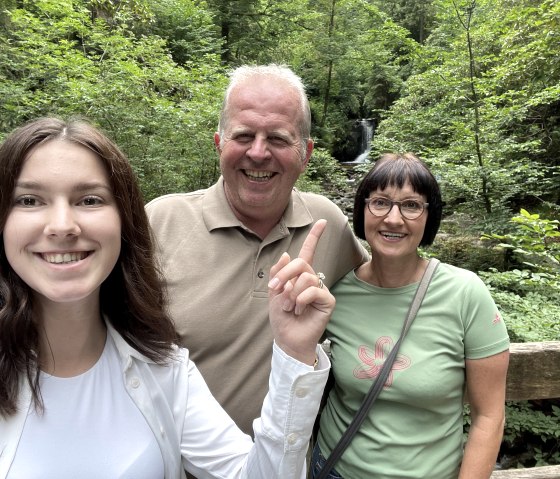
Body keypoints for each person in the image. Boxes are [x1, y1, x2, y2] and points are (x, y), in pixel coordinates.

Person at [0, 117, 335, 479]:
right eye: (30, 200)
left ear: (125, 220)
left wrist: (294, 353)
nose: (62, 225)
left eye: (89, 200)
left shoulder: (163, 370)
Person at [146, 64, 369, 436]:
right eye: (244, 135)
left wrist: (454, 293)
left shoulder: (326, 224)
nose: (259, 152)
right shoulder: (159, 223)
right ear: (219, 142)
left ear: (306, 153)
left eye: (279, 139)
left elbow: (386, 289)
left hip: (285, 465)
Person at [312, 153, 510, 479]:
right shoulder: (336, 291)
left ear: (429, 217)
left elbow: (489, 416)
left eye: (411, 205)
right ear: (362, 210)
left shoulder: (465, 294)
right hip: (335, 468)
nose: (393, 218)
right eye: (380, 202)